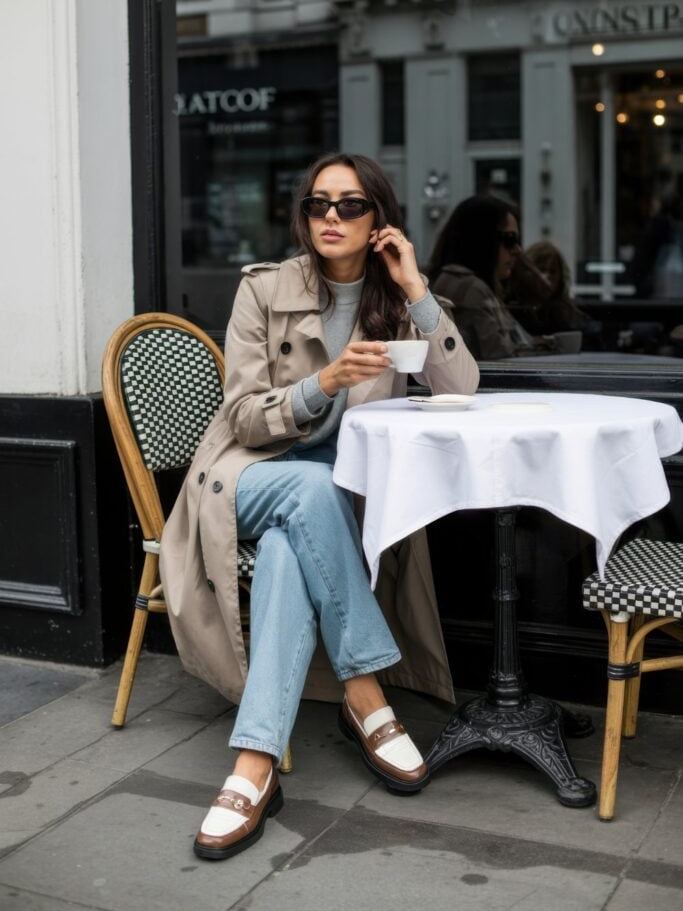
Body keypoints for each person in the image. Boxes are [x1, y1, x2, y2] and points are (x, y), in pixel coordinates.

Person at [159, 152, 479, 861]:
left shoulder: (398, 301)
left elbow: (461, 381)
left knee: (285, 550)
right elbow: (241, 419)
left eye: (351, 205)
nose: (330, 217)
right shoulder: (264, 289)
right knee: (302, 490)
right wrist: (323, 383)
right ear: (304, 216)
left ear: (378, 221)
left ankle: (253, 765)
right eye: (317, 204)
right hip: (246, 477)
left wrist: (416, 286)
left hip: (332, 502)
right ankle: (364, 692)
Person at [428, 195, 550, 360]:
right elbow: (502, 360)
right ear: (482, 238)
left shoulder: (460, 282)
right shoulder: (470, 288)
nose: (517, 250)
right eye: (509, 240)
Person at [508, 240, 596, 339]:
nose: (547, 276)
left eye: (552, 271)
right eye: (541, 269)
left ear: (560, 277)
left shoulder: (565, 312)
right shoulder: (513, 309)